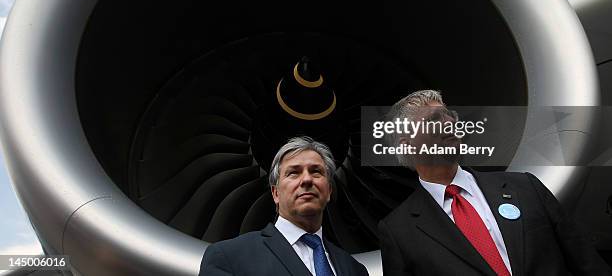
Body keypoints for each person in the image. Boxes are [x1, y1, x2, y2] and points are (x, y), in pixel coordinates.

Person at [378, 90, 611, 276]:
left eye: (449, 114)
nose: (450, 121)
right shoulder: (399, 231)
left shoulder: (526, 188)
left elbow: (587, 264)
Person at [200, 136, 369, 276]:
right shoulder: (228, 257)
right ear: (275, 193)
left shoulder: (355, 270)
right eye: (293, 173)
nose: (307, 180)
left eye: (316, 171)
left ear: (329, 191)